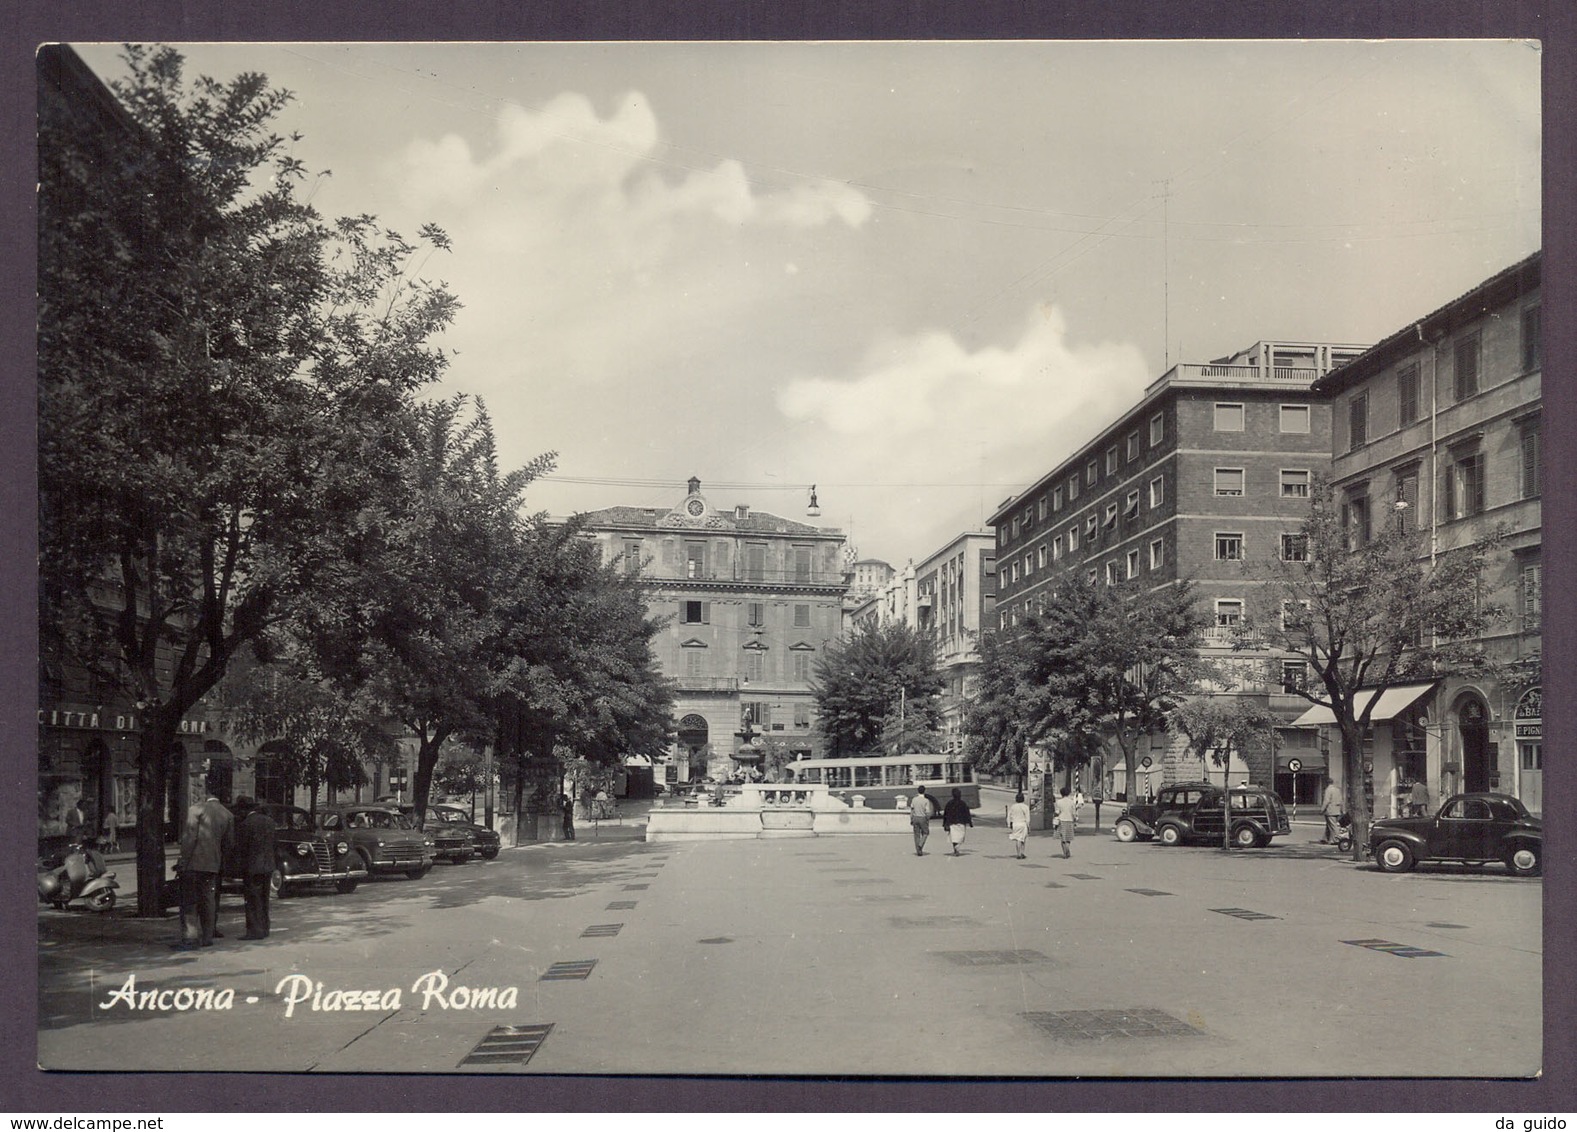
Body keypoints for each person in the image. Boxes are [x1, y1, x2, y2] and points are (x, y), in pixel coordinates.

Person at [173, 791, 235, 951]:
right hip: (212, 865)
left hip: (193, 864)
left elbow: (190, 838)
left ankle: (190, 937)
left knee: (190, 900)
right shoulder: (227, 814)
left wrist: (182, 861)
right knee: (208, 899)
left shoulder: (196, 809)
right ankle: (207, 936)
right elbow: (229, 844)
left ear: (205, 796)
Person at [233, 797, 277, 941]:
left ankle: (254, 930)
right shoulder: (269, 821)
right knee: (264, 898)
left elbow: (241, 848)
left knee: (252, 899)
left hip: (252, 867)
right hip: (268, 865)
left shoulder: (245, 824)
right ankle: (265, 928)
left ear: (244, 809)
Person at [941, 788, 973, 856]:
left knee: (954, 837)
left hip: (952, 822)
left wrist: (944, 823)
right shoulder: (963, 803)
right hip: (961, 822)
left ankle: (955, 848)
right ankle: (957, 847)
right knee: (961, 836)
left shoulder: (949, 803)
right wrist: (970, 822)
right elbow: (967, 813)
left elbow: (946, 814)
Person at [908, 785, 936, 856]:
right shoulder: (926, 800)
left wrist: (911, 818)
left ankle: (918, 851)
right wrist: (927, 819)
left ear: (918, 791)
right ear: (924, 791)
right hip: (923, 818)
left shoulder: (914, 799)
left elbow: (912, 810)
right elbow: (927, 811)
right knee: (925, 833)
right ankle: (920, 844)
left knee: (916, 835)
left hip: (915, 817)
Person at [1053, 786, 1078, 859]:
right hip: (1069, 820)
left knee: (1062, 838)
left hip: (1061, 820)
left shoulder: (1059, 802)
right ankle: (1067, 849)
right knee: (1068, 838)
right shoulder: (1071, 802)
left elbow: (1057, 812)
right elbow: (1074, 813)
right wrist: (1075, 820)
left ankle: (1065, 852)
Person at [1006, 792, 1031, 859]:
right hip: (1023, 824)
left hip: (1015, 824)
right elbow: (1027, 817)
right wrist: (1028, 825)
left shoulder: (1013, 807)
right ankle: (1022, 852)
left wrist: (1009, 824)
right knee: (1023, 839)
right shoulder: (1025, 807)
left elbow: (1009, 816)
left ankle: (1018, 853)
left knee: (1018, 839)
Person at [1321, 778, 1344, 844]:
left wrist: (1322, 809)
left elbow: (1326, 801)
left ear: (1326, 783)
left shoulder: (1328, 790)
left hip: (1330, 810)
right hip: (1337, 809)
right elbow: (1341, 800)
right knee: (1329, 825)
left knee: (1333, 825)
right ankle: (1325, 838)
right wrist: (1341, 810)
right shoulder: (1337, 790)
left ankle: (1337, 839)